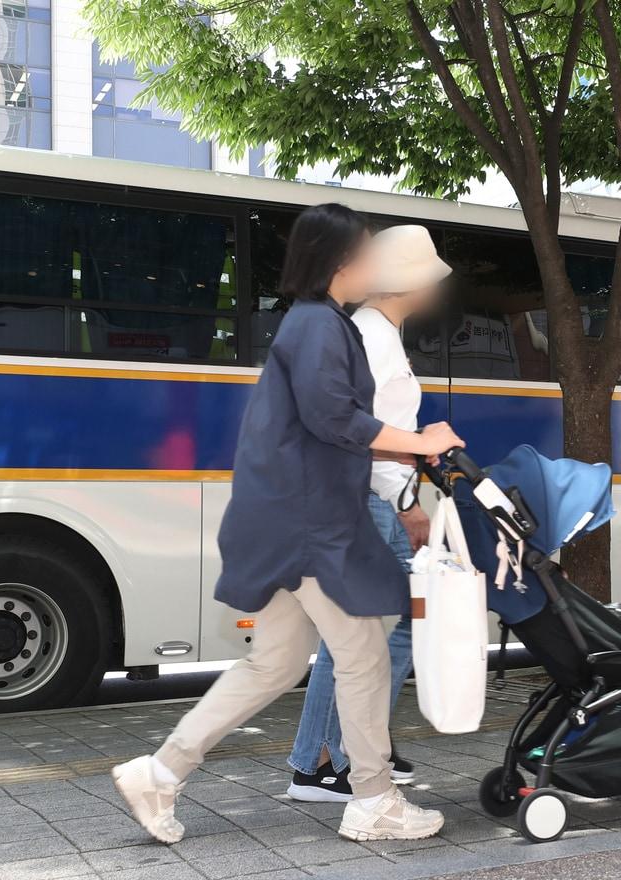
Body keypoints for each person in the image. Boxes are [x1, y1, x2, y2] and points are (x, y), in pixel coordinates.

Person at [110, 204, 465, 845]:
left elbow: (330, 426)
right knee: (362, 656)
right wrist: (418, 441)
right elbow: (334, 418)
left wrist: (406, 448)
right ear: (340, 265)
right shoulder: (322, 329)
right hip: (308, 525)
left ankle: (159, 773)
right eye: (364, 255)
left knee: (272, 665)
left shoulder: (313, 325)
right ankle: (375, 799)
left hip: (284, 520)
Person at [286, 224, 451, 802]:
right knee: (376, 633)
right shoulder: (373, 340)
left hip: (368, 498)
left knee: (365, 635)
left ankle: (340, 753)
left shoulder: (372, 333)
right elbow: (359, 432)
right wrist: (409, 499)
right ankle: (335, 758)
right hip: (370, 500)